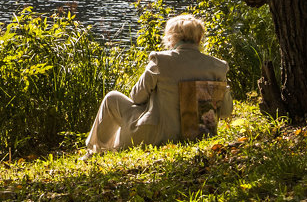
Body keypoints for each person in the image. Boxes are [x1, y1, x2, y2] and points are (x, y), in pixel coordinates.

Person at [84, 13, 232, 156]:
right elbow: (225, 112)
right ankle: (107, 147)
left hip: (154, 136)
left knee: (112, 98)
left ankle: (95, 150)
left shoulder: (160, 60)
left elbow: (137, 97)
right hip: (198, 135)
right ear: (199, 38)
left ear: (171, 38)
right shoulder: (218, 66)